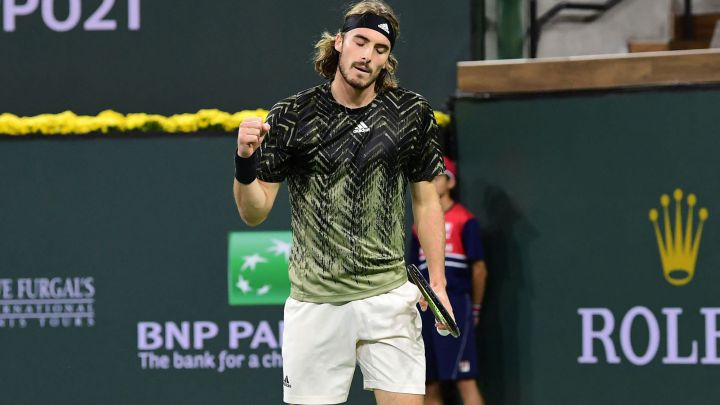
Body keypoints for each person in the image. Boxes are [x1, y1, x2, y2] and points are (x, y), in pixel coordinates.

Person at [232, 1, 453, 404]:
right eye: (360, 41)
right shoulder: (292, 115)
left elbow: (426, 200)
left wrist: (436, 279)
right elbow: (254, 210)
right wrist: (245, 163)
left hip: (388, 296)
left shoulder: (411, 113)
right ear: (339, 43)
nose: (368, 56)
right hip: (316, 304)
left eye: (380, 49)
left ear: (388, 59)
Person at [409, 157, 488, 405]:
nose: (433, 182)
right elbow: (412, 273)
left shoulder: (465, 220)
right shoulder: (418, 226)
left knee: (465, 380)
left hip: (456, 303)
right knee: (428, 384)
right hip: (425, 308)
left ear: (450, 182)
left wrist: (474, 309)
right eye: (430, 177)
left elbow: (479, 270)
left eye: (439, 177)